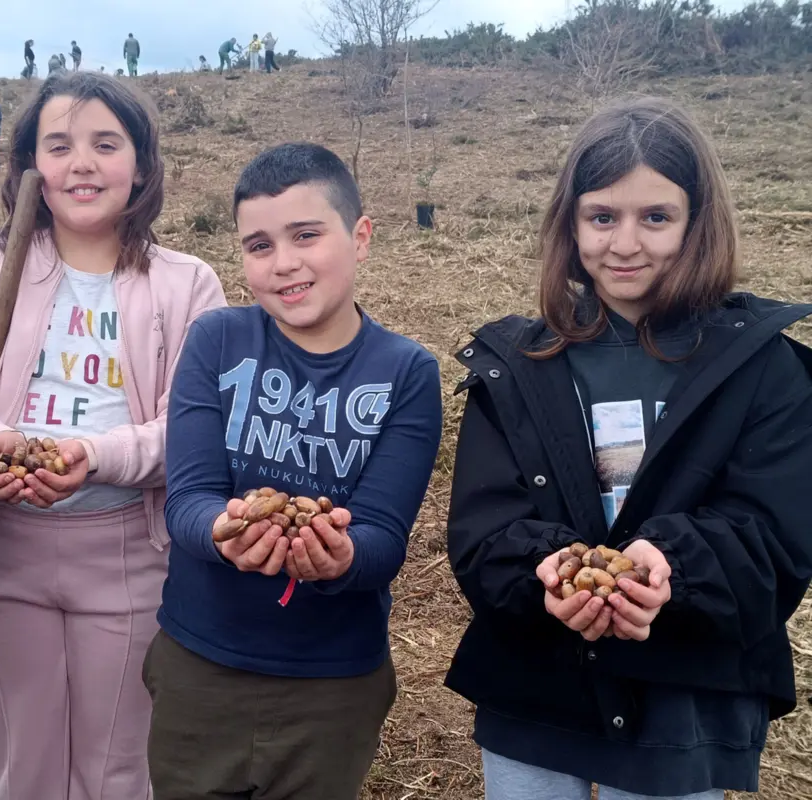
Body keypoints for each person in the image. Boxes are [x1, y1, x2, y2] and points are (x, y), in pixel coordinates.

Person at [445, 96, 812, 800]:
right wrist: (545, 576)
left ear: (697, 223)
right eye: (602, 217)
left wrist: (675, 567)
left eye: (656, 217)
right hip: (535, 691)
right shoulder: (516, 364)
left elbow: (775, 539)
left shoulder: (765, 368)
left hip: (683, 700)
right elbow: (482, 532)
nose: (625, 243)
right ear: (571, 224)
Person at [0, 70, 228, 800]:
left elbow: (194, 429)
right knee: (25, 762)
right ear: (30, 168)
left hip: (127, 553)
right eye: (58, 145)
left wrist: (96, 458)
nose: (82, 162)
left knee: (118, 767)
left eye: (105, 144)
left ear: (142, 165)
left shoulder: (188, 285)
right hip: (4, 547)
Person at [145, 142, 443, 799]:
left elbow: (383, 540)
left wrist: (339, 558)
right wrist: (225, 529)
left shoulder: (407, 373)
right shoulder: (216, 339)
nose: (284, 264)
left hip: (333, 683)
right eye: (258, 245)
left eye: (306, 235)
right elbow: (188, 500)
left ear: (360, 237)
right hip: (201, 664)